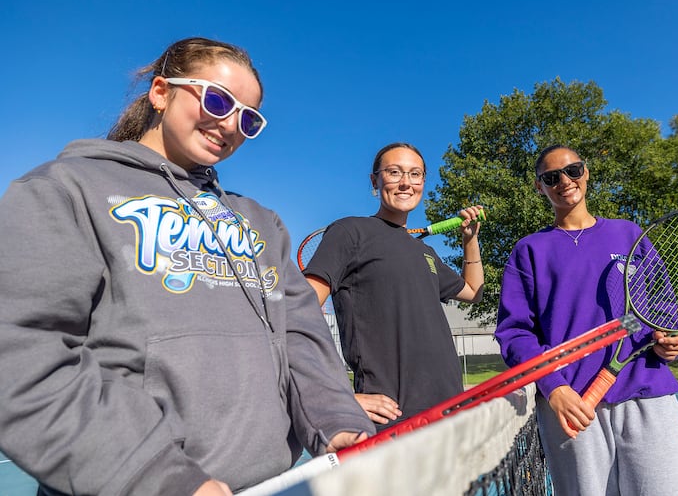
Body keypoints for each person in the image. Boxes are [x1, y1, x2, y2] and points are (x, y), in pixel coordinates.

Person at [0, 37, 374, 496]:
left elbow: (299, 334)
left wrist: (338, 423)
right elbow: (22, 355)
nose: (230, 124)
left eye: (248, 119)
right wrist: (159, 476)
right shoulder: (65, 189)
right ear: (161, 92)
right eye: (218, 100)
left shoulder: (261, 223)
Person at [494, 145, 678, 495]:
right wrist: (554, 387)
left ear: (586, 172)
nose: (564, 181)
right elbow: (515, 333)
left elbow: (661, 304)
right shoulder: (528, 250)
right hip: (572, 407)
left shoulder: (628, 233)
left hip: (647, 392)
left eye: (573, 170)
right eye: (551, 177)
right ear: (539, 186)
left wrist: (667, 338)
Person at [302, 142, 485, 427]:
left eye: (415, 174)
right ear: (375, 181)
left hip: (449, 411)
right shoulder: (350, 231)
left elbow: (473, 292)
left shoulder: (426, 252)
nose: (405, 183)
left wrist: (470, 240)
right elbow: (298, 312)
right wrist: (336, 392)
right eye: (394, 172)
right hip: (391, 418)